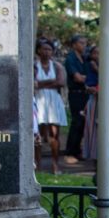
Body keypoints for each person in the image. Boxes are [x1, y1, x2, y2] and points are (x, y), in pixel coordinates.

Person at [33, 38, 67, 174]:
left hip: (53, 101)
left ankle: (55, 165)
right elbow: (32, 83)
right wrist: (51, 81)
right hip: (39, 100)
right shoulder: (34, 66)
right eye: (44, 49)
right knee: (38, 135)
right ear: (39, 50)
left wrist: (41, 83)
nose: (46, 52)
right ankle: (38, 165)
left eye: (49, 49)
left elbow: (61, 82)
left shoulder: (57, 66)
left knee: (54, 134)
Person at [63, 35, 90, 161]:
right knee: (76, 121)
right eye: (81, 43)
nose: (83, 45)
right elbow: (77, 77)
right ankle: (70, 151)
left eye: (85, 43)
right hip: (75, 93)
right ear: (74, 44)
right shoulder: (71, 59)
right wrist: (88, 78)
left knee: (83, 122)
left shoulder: (85, 59)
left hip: (85, 93)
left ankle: (77, 150)